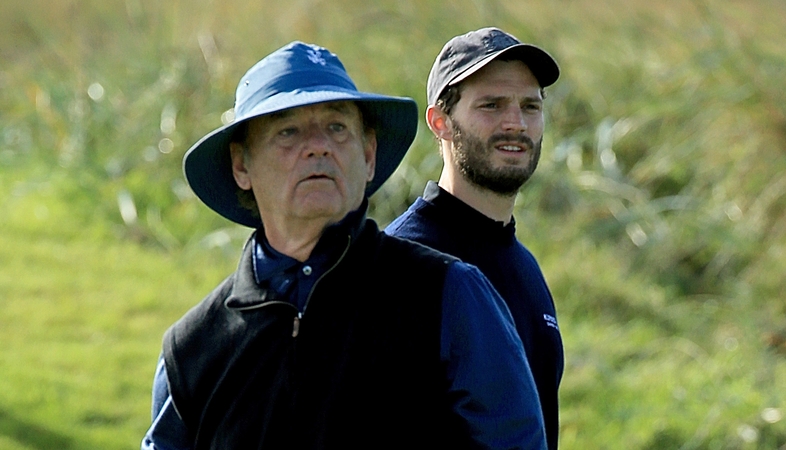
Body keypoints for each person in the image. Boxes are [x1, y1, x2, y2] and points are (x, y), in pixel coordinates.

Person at [141, 41, 547, 449]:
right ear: (241, 165)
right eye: (288, 131)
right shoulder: (194, 345)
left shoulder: (448, 293)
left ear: (368, 155)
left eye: (337, 128)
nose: (318, 147)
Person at [385, 27, 564, 449]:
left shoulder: (524, 267)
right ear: (440, 122)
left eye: (530, 106)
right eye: (491, 105)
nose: (516, 124)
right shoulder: (400, 266)